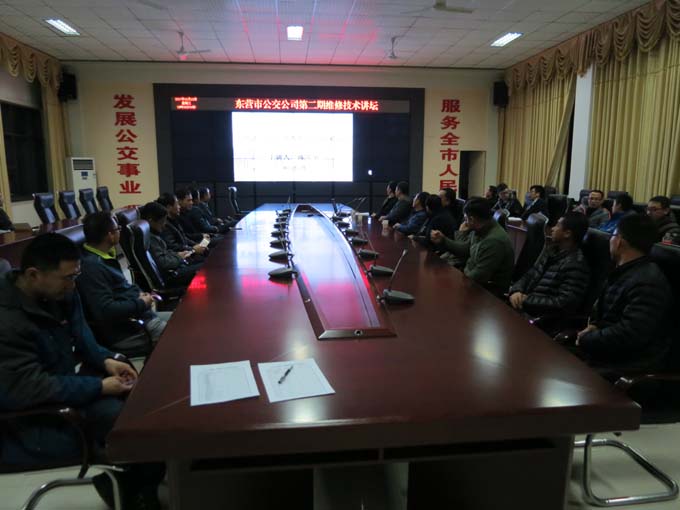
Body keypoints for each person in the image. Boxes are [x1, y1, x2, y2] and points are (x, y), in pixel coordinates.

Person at [0, 233, 164, 509]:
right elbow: (26, 388)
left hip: (66, 392)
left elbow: (84, 339)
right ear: (33, 274)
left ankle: (137, 487)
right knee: (132, 428)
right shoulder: (7, 321)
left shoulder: (61, 292)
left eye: (76, 276)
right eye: (67, 278)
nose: (73, 284)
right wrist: (100, 387)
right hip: (34, 420)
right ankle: (136, 492)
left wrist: (107, 360)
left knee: (148, 403)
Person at [575, 214, 672, 373]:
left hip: (623, 367)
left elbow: (630, 334)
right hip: (604, 356)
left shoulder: (648, 282)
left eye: (612, 236)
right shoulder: (624, 271)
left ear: (619, 241)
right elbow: (610, 316)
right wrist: (594, 326)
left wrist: (588, 338)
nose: (610, 241)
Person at [77, 212, 171, 354]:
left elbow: (122, 288)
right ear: (110, 235)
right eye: (118, 229)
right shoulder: (92, 267)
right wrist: (141, 303)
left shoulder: (104, 257)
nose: (119, 232)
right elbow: (106, 310)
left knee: (186, 319)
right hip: (130, 329)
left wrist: (139, 294)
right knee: (185, 332)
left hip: (142, 316)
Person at [509, 212, 590, 316]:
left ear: (567, 233)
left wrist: (526, 300)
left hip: (540, 318)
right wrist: (516, 290)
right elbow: (530, 274)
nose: (552, 228)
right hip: (525, 309)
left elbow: (563, 303)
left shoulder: (577, 265)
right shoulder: (551, 251)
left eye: (557, 225)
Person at [431, 198, 514, 295]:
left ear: (471, 219)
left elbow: (479, 276)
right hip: (472, 281)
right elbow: (465, 250)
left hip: (488, 292)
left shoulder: (494, 241)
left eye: (465, 218)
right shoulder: (480, 228)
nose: (465, 222)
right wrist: (443, 240)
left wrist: (456, 282)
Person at [140, 201, 202, 288]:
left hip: (176, 268)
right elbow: (163, 263)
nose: (164, 225)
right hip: (171, 276)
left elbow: (165, 253)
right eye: (162, 221)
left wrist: (177, 255)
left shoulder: (153, 234)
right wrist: (180, 257)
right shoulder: (150, 238)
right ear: (151, 221)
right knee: (205, 267)